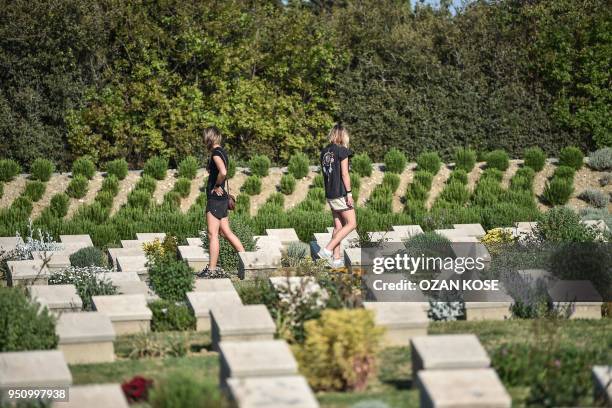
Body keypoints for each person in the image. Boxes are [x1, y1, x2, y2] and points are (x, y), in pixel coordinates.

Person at [198, 126, 245, 277]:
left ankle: (211, 269)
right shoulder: (222, 152)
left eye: (205, 137)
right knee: (226, 232)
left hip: (216, 199)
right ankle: (247, 259)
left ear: (209, 138)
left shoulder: (215, 154)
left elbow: (223, 172)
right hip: (222, 199)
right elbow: (221, 170)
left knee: (213, 234)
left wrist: (217, 185)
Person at [317, 123, 357, 268]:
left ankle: (336, 259)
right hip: (340, 193)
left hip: (330, 193)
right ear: (343, 136)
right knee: (352, 224)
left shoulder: (325, 152)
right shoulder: (342, 151)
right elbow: (345, 174)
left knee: (338, 225)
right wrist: (349, 194)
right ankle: (327, 249)